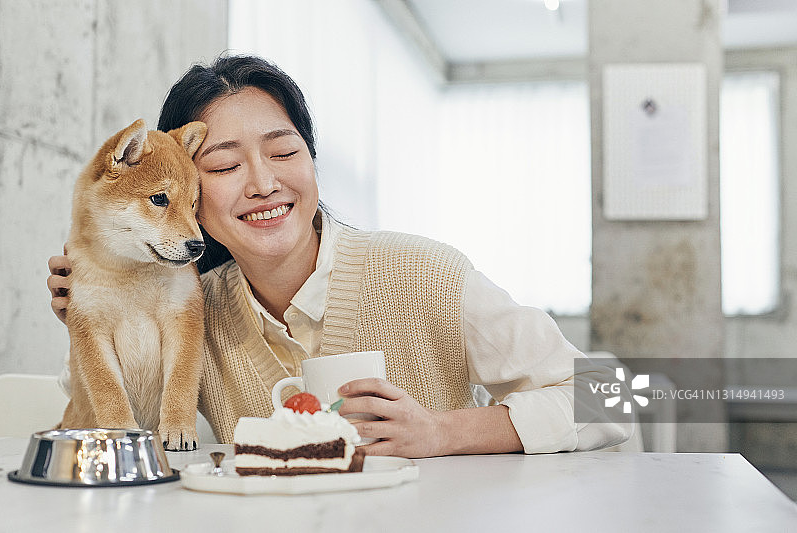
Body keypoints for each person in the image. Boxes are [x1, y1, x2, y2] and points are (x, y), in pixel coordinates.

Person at [48, 54, 631, 457]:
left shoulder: (425, 274)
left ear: (312, 163)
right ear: (187, 199)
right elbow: (123, 425)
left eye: (283, 152)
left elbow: (613, 400)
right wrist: (106, 305)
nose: (262, 183)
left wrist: (441, 431)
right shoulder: (197, 306)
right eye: (224, 167)